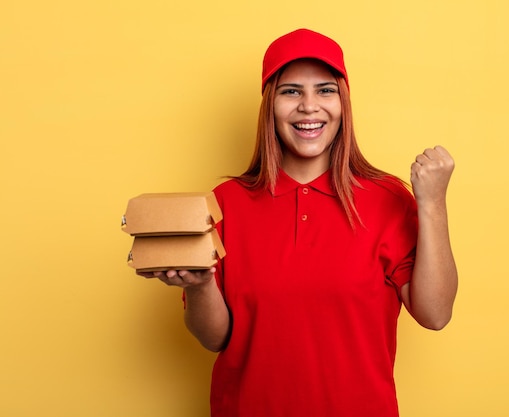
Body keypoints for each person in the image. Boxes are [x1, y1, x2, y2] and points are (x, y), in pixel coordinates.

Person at [143, 28, 458, 417]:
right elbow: (215, 338)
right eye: (291, 91)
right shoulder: (226, 203)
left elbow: (436, 314)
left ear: (343, 103)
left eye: (325, 90)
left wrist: (433, 204)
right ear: (269, 104)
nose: (309, 106)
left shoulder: (387, 200)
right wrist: (202, 284)